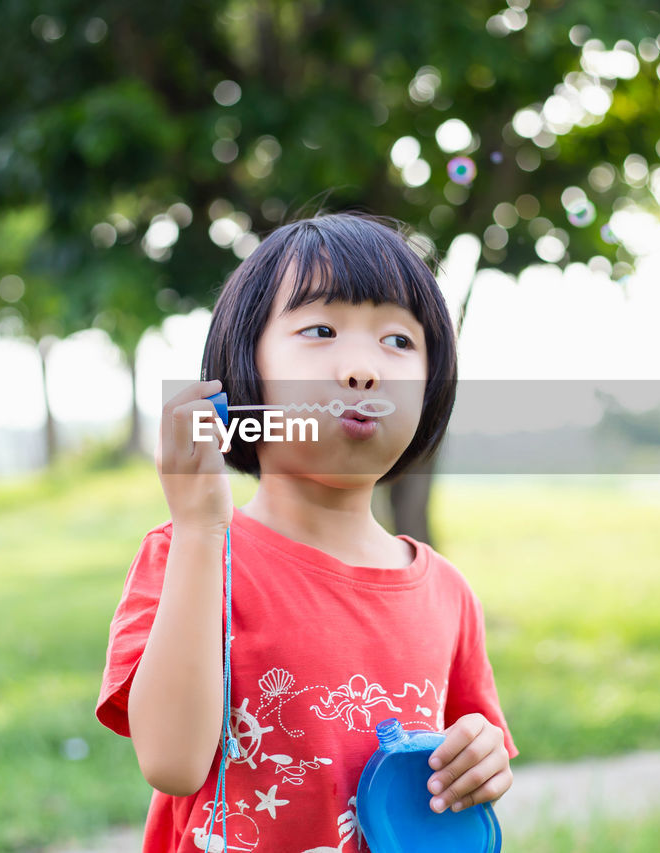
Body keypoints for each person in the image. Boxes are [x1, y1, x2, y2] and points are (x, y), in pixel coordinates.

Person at [96, 211, 518, 852]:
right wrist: (201, 529)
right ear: (244, 373)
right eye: (321, 330)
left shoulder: (447, 594)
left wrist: (484, 762)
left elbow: (469, 760)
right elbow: (173, 764)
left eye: (399, 342)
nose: (362, 369)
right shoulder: (192, 552)